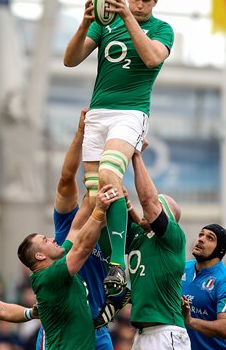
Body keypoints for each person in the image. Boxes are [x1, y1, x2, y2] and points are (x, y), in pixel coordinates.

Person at [63, 0, 175, 296]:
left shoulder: (161, 29)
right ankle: (109, 276)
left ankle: (117, 264)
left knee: (112, 174)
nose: (138, 5)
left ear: (155, 1)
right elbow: (70, 60)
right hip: (98, 113)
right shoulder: (104, 23)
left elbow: (152, 58)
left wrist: (127, 18)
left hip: (131, 112)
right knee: (96, 195)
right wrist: (85, 23)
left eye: (145, 0)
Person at [34, 108, 116, 350]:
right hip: (64, 326)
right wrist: (81, 133)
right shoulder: (68, 221)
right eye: (95, 178)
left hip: (96, 327)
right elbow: (66, 177)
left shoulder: (116, 232)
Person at [96, 146, 191, 350]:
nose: (150, 208)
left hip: (167, 331)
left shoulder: (173, 238)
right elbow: (109, 226)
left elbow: (149, 202)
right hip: (142, 334)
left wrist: (135, 152)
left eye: (159, 205)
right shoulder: (141, 238)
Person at [17, 181, 118, 348]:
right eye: (45, 240)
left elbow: (75, 229)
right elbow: (83, 248)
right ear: (40, 255)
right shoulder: (49, 277)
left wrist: (90, 194)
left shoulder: (54, 266)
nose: (52, 239)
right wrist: (99, 210)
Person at [181, 224, 226, 350]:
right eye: (201, 234)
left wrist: (190, 321)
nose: (201, 239)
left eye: (210, 238)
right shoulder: (182, 268)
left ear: (220, 250)